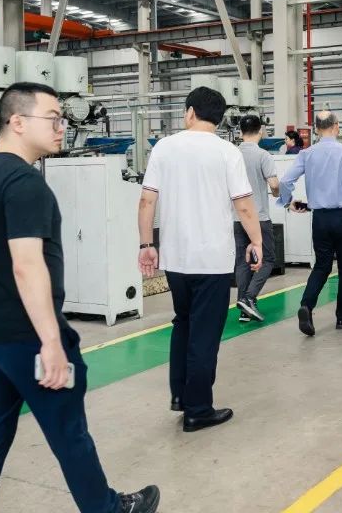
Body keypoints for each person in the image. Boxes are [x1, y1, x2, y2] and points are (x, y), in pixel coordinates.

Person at [0, 82, 158, 513]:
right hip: (24, 337)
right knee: (69, 434)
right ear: (17, 122)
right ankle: (108, 509)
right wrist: (50, 341)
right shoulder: (25, 182)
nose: (62, 127)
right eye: (52, 118)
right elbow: (27, 265)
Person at [137, 87, 263, 433]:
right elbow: (243, 205)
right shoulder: (227, 152)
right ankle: (198, 409)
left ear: (190, 112)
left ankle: (180, 395)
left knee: (183, 323)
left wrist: (146, 244)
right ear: (219, 118)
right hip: (212, 260)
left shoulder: (164, 147)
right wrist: (256, 241)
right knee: (204, 334)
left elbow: (147, 201)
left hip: (175, 258)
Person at [279, 111, 342, 337]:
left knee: (322, 265)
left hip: (319, 218)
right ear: (336, 126)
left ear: (317, 129)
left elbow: (286, 180)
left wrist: (287, 201)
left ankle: (306, 305)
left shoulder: (306, 154)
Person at [234, 114, 279, 323]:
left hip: (237, 218)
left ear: (240, 131)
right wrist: (277, 193)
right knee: (268, 259)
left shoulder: (232, 155)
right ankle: (249, 297)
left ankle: (244, 309)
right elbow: (274, 184)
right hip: (259, 217)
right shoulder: (263, 155)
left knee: (243, 262)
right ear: (260, 130)